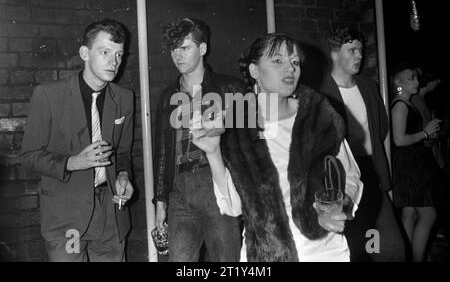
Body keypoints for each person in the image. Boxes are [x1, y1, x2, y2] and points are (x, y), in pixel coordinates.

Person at [191, 33, 363, 262]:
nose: (290, 69)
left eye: (294, 62)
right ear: (254, 72)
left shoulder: (318, 115)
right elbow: (233, 207)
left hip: (323, 250)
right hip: (264, 254)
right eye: (277, 61)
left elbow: (350, 175)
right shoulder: (235, 125)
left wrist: (340, 205)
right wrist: (212, 152)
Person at [20, 19, 134, 262]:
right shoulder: (49, 95)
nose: (114, 62)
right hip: (65, 213)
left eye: (119, 55)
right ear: (85, 53)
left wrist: (124, 176)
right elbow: (29, 156)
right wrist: (73, 162)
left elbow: (123, 152)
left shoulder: (124, 98)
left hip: (110, 212)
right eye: (105, 52)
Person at [153, 18, 243, 262]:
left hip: (216, 182)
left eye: (185, 48)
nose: (177, 55)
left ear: (202, 49)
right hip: (180, 186)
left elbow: (253, 137)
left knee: (227, 261)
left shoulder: (230, 88)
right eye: (174, 49)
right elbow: (162, 152)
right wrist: (160, 200)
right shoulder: (168, 96)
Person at [319, 26, 406, 261]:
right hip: (341, 176)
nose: (359, 55)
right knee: (355, 244)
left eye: (360, 50)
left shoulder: (367, 87)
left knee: (392, 247)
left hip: (370, 170)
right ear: (335, 54)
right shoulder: (320, 93)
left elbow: (382, 128)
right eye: (352, 50)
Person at [391, 65, 443, 262]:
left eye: (416, 78)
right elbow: (398, 139)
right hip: (410, 166)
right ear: (398, 83)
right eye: (411, 78)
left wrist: (425, 136)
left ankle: (409, 256)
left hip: (412, 163)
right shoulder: (401, 105)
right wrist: (425, 132)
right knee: (428, 216)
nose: (416, 81)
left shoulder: (406, 103)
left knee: (410, 214)